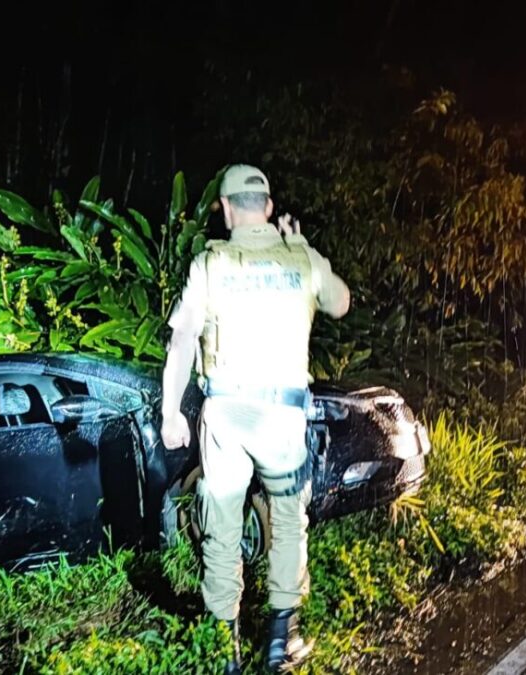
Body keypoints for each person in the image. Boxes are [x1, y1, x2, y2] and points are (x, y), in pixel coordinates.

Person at [160, 164, 351, 673]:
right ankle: (279, 642)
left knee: (221, 525)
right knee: (288, 521)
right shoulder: (300, 259)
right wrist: (305, 247)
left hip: (225, 412)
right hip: (282, 416)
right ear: (267, 207)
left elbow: (181, 340)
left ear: (225, 210)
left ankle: (225, 652)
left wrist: (170, 412)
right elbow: (339, 302)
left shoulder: (212, 263)